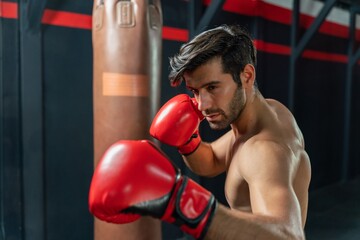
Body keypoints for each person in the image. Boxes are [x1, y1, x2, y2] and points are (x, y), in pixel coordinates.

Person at [88, 24, 311, 240]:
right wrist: (188, 142)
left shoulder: (263, 151)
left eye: (212, 87)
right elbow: (212, 160)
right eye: (195, 91)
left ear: (247, 76)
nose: (202, 105)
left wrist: (181, 202)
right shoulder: (272, 112)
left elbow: (289, 236)